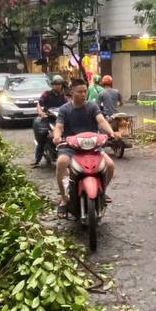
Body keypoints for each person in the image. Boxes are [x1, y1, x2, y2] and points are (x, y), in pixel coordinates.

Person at [52, 78, 115, 215]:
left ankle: (102, 191)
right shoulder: (64, 109)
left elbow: (101, 121)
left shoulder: (92, 106)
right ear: (71, 92)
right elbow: (59, 126)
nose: (83, 94)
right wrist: (57, 136)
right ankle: (63, 198)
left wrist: (111, 132)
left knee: (110, 165)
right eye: (80, 91)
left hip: (92, 145)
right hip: (70, 146)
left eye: (85, 91)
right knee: (61, 162)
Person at [32, 74, 70, 167]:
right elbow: (39, 104)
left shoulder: (63, 96)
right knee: (42, 135)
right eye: (56, 84)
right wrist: (41, 112)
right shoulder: (46, 94)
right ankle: (37, 160)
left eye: (59, 84)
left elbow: (68, 105)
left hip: (59, 119)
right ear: (52, 85)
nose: (58, 86)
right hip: (48, 118)